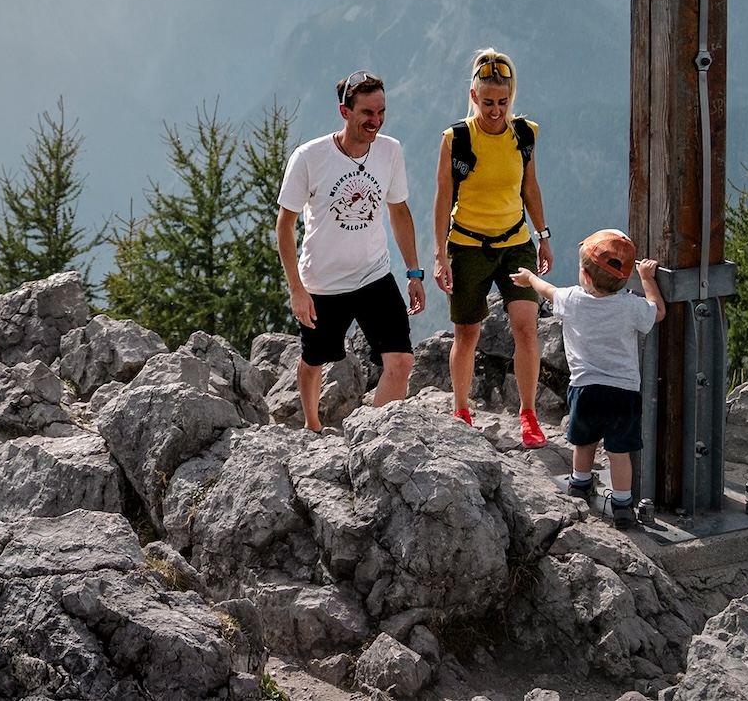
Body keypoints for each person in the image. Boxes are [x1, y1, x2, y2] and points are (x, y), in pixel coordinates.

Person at [276, 70, 427, 433]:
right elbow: (285, 225)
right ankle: (312, 426)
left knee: (401, 361)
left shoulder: (390, 151)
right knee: (314, 360)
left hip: (374, 275)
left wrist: (414, 272)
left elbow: (399, 211)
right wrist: (297, 289)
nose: (375, 121)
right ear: (345, 112)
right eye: (367, 113)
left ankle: (372, 437)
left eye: (381, 112)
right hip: (324, 283)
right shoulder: (309, 158)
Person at [431, 48, 555, 446]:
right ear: (473, 97)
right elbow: (442, 198)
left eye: (503, 101)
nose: (496, 110)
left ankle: (529, 414)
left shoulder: (525, 134)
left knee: (526, 328)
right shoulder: (457, 140)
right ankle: (462, 409)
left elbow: (530, 187)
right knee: (467, 333)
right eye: (487, 102)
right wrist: (439, 254)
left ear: (511, 97)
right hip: (467, 245)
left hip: (516, 243)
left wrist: (543, 236)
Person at [511, 230, 663, 528]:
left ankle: (579, 485)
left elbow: (547, 289)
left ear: (584, 275)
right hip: (623, 393)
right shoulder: (631, 307)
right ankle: (622, 505)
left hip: (584, 389)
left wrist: (529, 279)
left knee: (584, 443)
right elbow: (657, 313)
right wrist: (647, 279)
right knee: (619, 453)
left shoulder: (571, 300)